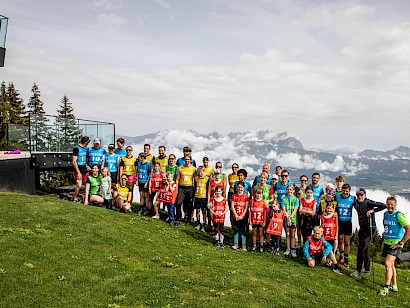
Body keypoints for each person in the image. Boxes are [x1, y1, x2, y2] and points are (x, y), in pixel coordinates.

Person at [350, 188, 386, 279]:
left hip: (370, 229)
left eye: (361, 195)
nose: (359, 197)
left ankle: (358, 272)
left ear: (365, 195)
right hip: (362, 228)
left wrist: (372, 211)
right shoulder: (356, 202)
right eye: (358, 195)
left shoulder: (369, 202)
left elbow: (383, 205)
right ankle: (367, 269)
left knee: (360, 249)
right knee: (364, 249)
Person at [378, 196, 410, 296]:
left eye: (392, 204)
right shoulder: (385, 214)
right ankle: (394, 285)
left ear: (395, 205)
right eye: (388, 204)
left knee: (387, 263)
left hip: (396, 244)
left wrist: (400, 243)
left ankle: (386, 288)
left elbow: (408, 229)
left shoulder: (399, 215)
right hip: (387, 243)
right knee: (391, 265)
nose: (390, 206)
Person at [335, 183, 355, 268]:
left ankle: (346, 258)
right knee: (340, 240)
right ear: (341, 190)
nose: (345, 192)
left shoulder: (353, 198)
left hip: (347, 222)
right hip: (339, 221)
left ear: (349, 191)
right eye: (343, 190)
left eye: (347, 191)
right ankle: (341, 255)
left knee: (347, 241)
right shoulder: (337, 196)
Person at [175, 156, 196, 226]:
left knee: (189, 204)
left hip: (190, 187)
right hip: (182, 188)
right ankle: (177, 218)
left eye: (188, 159)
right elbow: (177, 179)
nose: (187, 161)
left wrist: (195, 189)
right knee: (178, 203)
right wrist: (177, 189)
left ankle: (189, 219)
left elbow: (195, 179)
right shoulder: (180, 168)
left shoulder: (193, 169)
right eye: (186, 159)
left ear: (190, 160)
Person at [231, 181, 249, 251]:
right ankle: (236, 244)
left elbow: (246, 207)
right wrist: (236, 215)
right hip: (236, 216)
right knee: (236, 229)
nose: (240, 189)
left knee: (242, 230)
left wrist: (242, 215)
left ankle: (243, 245)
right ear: (236, 188)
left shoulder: (246, 196)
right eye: (239, 187)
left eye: (241, 187)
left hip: (243, 216)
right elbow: (232, 206)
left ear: (244, 188)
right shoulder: (234, 196)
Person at [282, 184, 299, 257]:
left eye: (291, 189)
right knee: (287, 234)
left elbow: (295, 210)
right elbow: (283, 209)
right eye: (288, 189)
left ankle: (293, 249)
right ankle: (288, 248)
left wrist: (290, 217)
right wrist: (287, 218)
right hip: (286, 218)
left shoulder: (296, 199)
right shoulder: (284, 198)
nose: (289, 191)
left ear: (293, 190)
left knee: (293, 234)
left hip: (293, 218)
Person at [250, 188, 266, 252]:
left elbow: (265, 212)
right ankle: (254, 245)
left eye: (260, 194)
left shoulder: (263, 202)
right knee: (254, 233)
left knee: (261, 233)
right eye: (257, 193)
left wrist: (264, 221)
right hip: (254, 220)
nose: (258, 195)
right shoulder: (252, 201)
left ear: (262, 194)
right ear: (255, 194)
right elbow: (250, 211)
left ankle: (261, 246)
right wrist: (250, 220)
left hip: (261, 220)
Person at [194, 166, 210, 231]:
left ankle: (204, 224)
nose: (200, 173)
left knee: (204, 211)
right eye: (199, 172)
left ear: (204, 172)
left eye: (202, 171)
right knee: (197, 210)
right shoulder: (196, 178)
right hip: (197, 196)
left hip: (203, 197)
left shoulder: (207, 179)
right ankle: (198, 223)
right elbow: (195, 186)